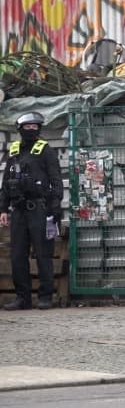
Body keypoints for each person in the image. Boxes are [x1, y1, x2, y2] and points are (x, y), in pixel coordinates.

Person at [1, 112, 64, 310]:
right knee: (17, 256)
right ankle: (23, 298)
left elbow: (56, 179)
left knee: (43, 254)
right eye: (27, 127)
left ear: (39, 129)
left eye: (34, 127)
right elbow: (5, 182)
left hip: (39, 209)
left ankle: (45, 296)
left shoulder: (45, 150)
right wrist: (3, 208)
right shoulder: (14, 150)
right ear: (20, 129)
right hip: (18, 210)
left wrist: (55, 205)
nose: (31, 130)